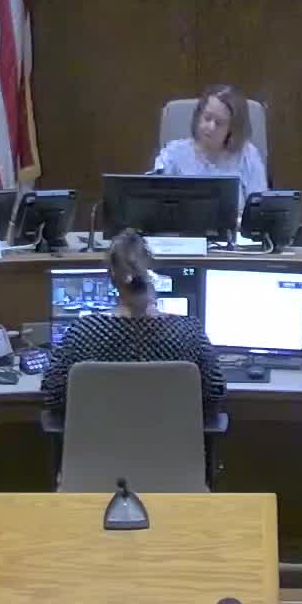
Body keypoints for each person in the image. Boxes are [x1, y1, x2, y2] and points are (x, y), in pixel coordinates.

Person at [42, 228, 226, 418]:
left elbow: (53, 396)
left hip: (98, 437)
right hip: (173, 437)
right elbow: (214, 393)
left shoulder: (81, 332)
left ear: (112, 277)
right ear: (151, 273)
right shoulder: (190, 332)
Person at [151, 84, 269, 204]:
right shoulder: (173, 154)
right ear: (198, 117)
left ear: (232, 129)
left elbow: (260, 206)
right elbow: (153, 196)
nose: (211, 127)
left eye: (219, 123)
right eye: (207, 118)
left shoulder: (247, 155)